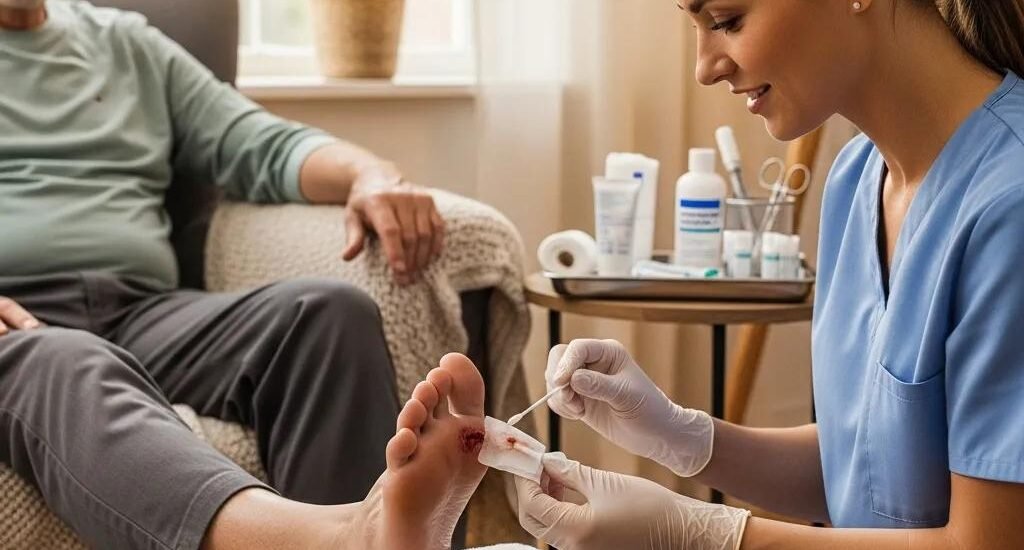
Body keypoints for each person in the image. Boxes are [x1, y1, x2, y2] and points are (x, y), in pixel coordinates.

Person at [514, 0, 1024, 548]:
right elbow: (868, 476)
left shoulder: (1009, 202)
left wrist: (705, 536)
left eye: (727, 22)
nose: (705, 67)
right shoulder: (856, 180)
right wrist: (683, 437)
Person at [0, 0, 456, 548]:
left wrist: (371, 173)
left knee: (327, 315)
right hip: (17, 333)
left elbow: (260, 143)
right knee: (66, 357)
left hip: (141, 311)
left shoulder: (123, 44)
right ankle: (333, 538)